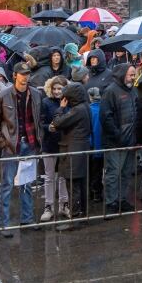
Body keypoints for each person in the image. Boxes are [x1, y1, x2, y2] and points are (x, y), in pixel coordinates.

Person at [0, 62, 43, 237]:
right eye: (22, 73)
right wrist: (2, 142)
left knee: (27, 184)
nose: (25, 76)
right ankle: (2, 225)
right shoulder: (2, 96)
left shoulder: (35, 94)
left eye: (27, 73)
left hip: (30, 144)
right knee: (6, 185)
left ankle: (27, 219)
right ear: (15, 75)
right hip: (12, 146)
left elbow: (38, 118)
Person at [101, 63, 139, 216]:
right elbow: (106, 117)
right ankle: (111, 202)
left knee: (126, 173)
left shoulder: (133, 91)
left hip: (130, 140)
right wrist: (118, 135)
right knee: (113, 173)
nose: (133, 77)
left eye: (134, 74)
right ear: (122, 74)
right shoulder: (111, 91)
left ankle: (122, 199)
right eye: (131, 74)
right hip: (115, 142)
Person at [50, 82, 92, 218]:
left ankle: (75, 217)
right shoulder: (85, 106)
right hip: (81, 150)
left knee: (73, 187)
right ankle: (82, 215)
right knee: (81, 186)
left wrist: (60, 109)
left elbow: (58, 122)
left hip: (73, 152)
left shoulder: (77, 110)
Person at [39, 76, 71, 221]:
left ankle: (64, 204)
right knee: (49, 177)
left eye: (60, 88)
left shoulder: (70, 102)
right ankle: (49, 206)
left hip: (64, 144)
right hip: (49, 144)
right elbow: (41, 122)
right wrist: (49, 127)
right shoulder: (45, 102)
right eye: (55, 88)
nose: (57, 91)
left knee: (63, 176)